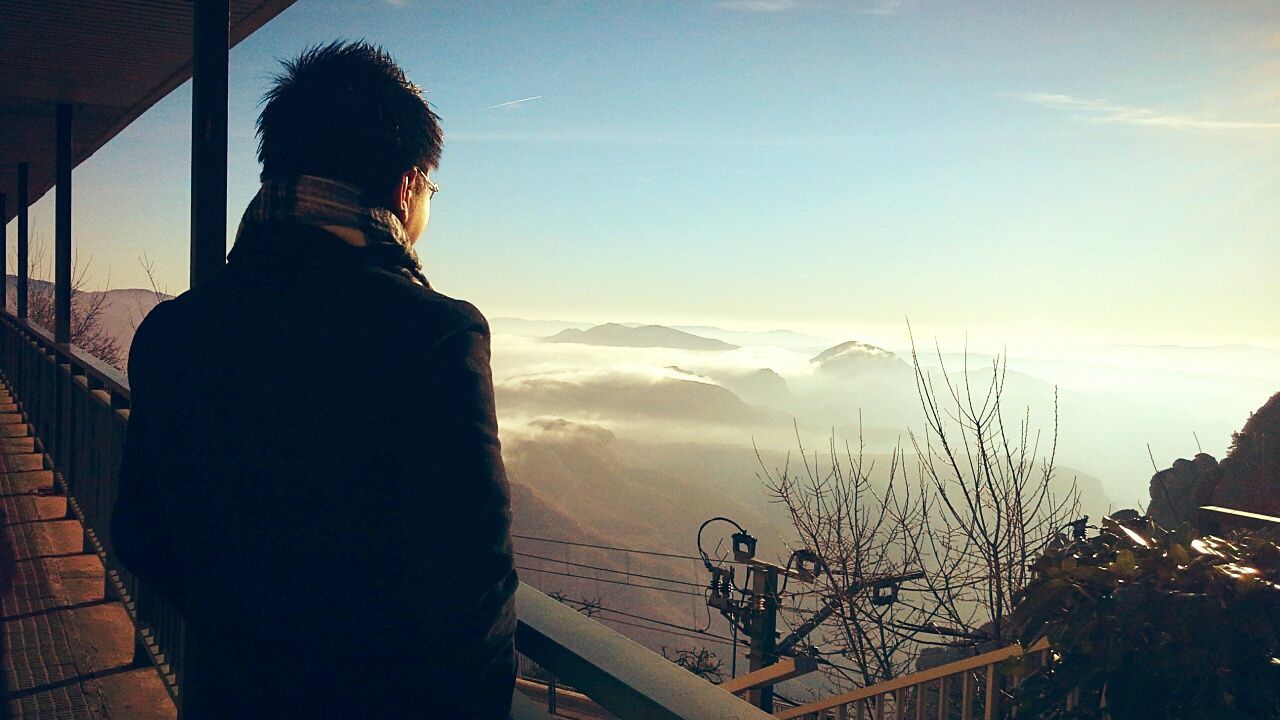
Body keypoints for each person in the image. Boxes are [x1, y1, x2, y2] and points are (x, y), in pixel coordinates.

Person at [111, 41, 518, 719]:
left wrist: (251, 625)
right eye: (431, 189)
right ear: (406, 184)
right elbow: (470, 593)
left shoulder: (174, 330)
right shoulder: (435, 336)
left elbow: (141, 536)